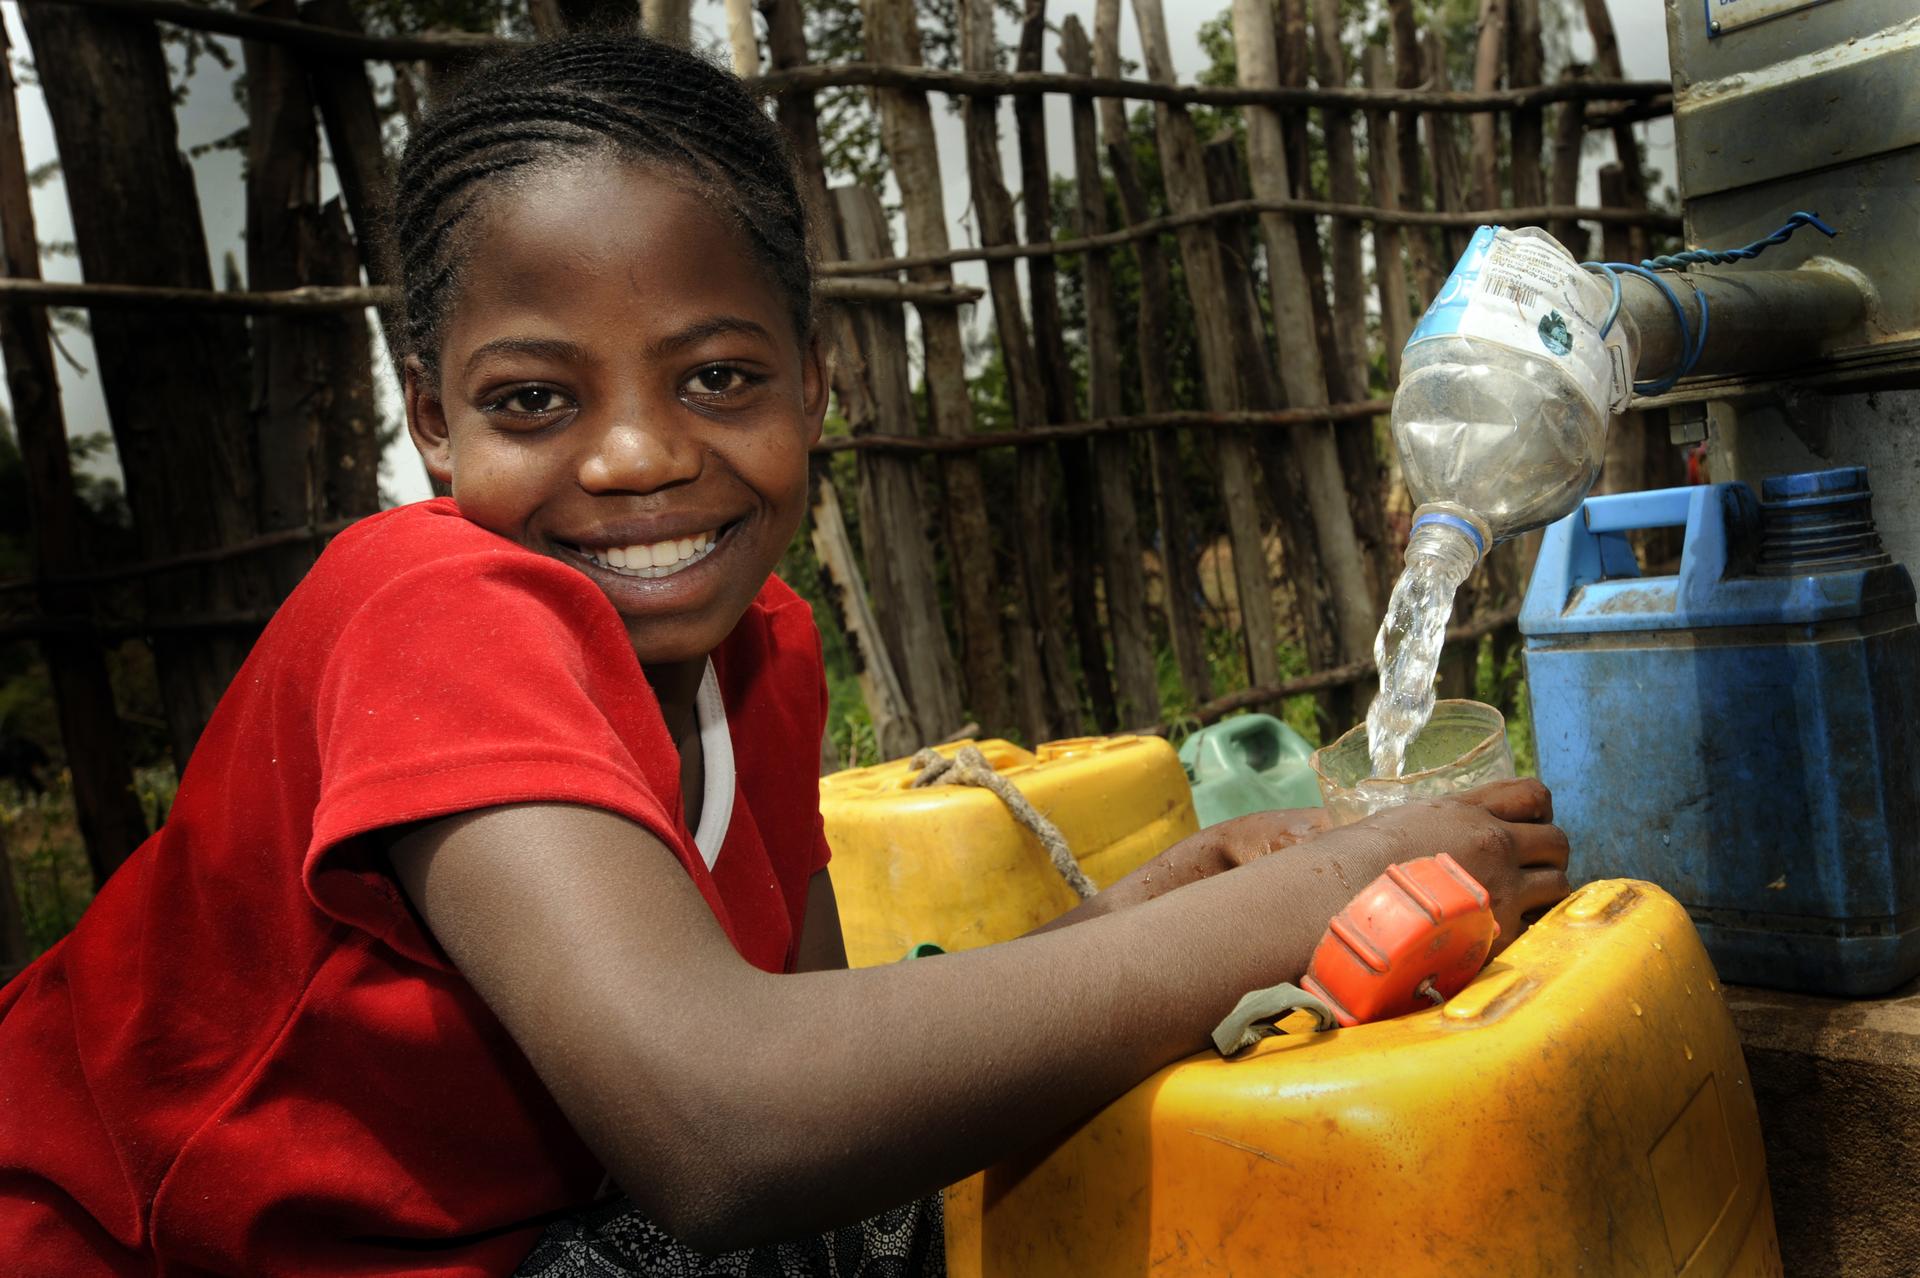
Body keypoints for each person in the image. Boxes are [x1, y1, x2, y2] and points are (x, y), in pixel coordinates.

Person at [0, 34, 1571, 1276]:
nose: (633, 457)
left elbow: (821, 1058)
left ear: (815, 383)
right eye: (536, 399)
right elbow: (726, 1128)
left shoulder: (761, 652)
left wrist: (1173, 904)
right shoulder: (430, 614)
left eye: (717, 375)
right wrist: (1294, 909)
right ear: (430, 420)